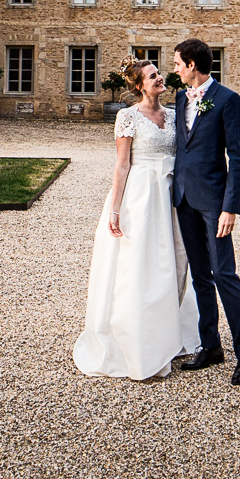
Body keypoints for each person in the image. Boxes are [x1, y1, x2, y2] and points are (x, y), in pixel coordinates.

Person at [73, 58, 201, 380]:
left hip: (171, 197)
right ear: (139, 85)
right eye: (153, 75)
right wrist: (114, 209)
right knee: (141, 266)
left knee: (176, 262)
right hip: (141, 199)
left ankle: (170, 332)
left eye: (159, 73)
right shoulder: (127, 117)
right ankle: (140, 342)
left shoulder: (174, 115)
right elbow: (122, 165)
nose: (160, 78)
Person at [169, 37, 240, 385]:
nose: (174, 68)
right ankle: (211, 346)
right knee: (200, 277)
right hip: (184, 199)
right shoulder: (179, 97)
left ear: (192, 65)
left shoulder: (228, 100)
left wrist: (230, 208)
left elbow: (236, 158)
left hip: (215, 203)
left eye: (177, 63)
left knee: (224, 275)